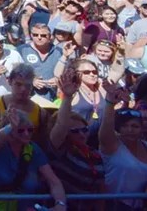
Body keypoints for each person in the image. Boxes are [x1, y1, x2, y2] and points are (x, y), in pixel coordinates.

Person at [0, 107, 66, 211]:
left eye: (30, 130)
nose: (26, 133)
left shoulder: (33, 149)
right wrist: (11, 126)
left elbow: (53, 181)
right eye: (20, 130)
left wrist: (60, 204)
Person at [47, 69, 106, 209]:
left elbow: (101, 190)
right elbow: (61, 126)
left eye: (84, 130)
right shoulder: (59, 150)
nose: (81, 134)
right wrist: (67, 97)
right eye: (74, 131)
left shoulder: (95, 154)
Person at [99, 81, 147, 209]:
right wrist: (110, 103)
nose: (129, 130)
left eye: (134, 126)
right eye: (124, 126)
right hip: (112, 205)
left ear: (141, 128)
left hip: (141, 206)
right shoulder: (111, 145)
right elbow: (105, 128)